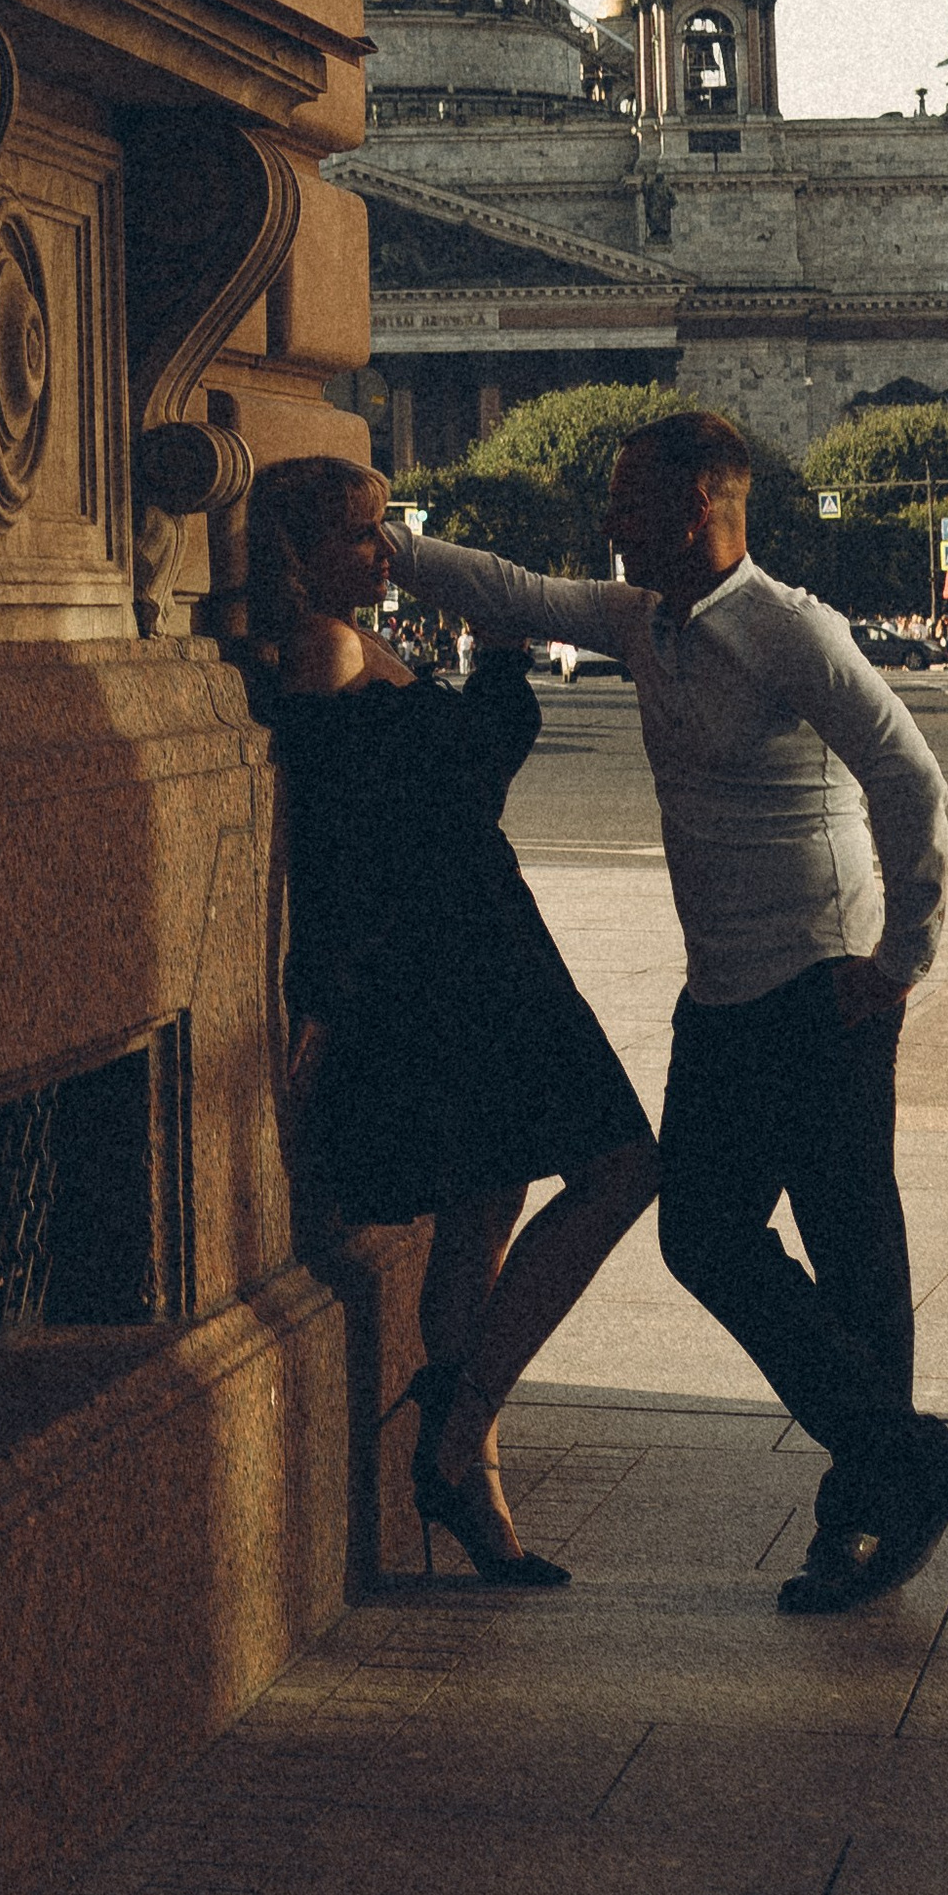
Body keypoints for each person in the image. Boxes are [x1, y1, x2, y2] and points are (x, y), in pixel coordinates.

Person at [389, 410, 948, 1616]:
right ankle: (901, 1462)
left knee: (849, 1250)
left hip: (823, 986)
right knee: (704, 1236)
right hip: (719, 990)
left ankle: (866, 1508)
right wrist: (382, 544)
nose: (605, 521)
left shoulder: (787, 628)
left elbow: (909, 775)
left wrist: (902, 955)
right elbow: (510, 589)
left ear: (701, 506)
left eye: (625, 499)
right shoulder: (639, 621)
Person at [248, 456, 660, 1587]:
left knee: (488, 1201)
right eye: (354, 536)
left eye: (384, 532)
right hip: (444, 957)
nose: (381, 555)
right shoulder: (326, 649)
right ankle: (458, 1426)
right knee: (621, 1165)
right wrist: (324, 998)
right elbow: (344, 840)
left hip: (479, 936)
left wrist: (490, 651)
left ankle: (466, 1465)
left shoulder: (369, 643)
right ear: (295, 549)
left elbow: (450, 781)